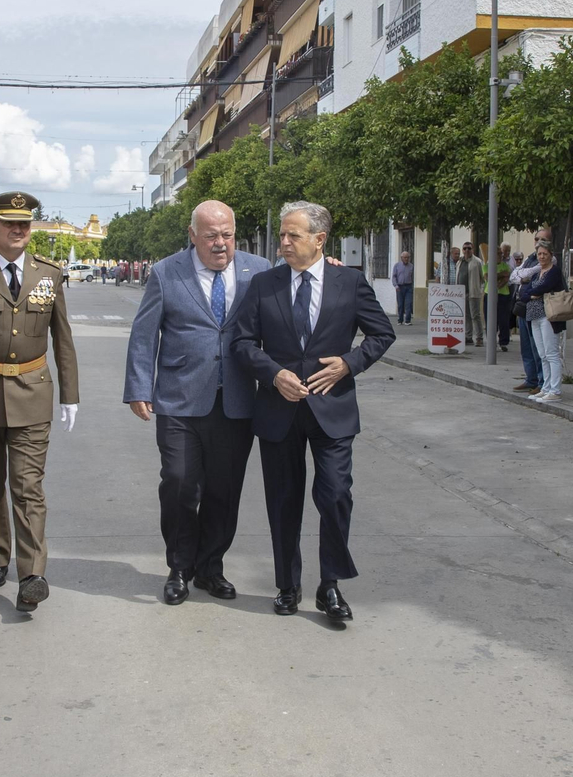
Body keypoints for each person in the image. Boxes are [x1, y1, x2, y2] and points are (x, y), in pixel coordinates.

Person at [230, 201, 396, 626]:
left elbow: (382, 333)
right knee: (283, 502)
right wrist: (273, 374)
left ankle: (331, 585)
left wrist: (349, 363)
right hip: (278, 410)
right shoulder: (264, 285)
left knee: (336, 494)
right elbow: (243, 343)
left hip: (333, 410)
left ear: (319, 240)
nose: (283, 242)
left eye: (293, 236)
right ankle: (288, 584)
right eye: (282, 235)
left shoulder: (350, 281)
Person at [124, 200, 269, 606]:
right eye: (211, 236)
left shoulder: (258, 271)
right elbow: (143, 333)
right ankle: (179, 566)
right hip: (178, 400)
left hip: (237, 401)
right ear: (193, 236)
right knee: (180, 483)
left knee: (225, 490)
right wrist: (139, 386)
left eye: (227, 235)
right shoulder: (167, 272)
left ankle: (210, 567)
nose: (220, 244)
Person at [0, 191, 80, 613]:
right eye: (9, 222)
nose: (19, 229)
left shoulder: (49, 274)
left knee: (27, 488)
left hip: (33, 392)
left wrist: (70, 395)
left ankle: (31, 575)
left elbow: (63, 339)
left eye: (25, 222)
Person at [520, 239, 568, 403]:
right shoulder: (536, 272)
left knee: (551, 353)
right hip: (534, 316)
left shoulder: (554, 272)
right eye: (539, 254)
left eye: (544, 254)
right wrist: (531, 294)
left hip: (548, 317)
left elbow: (543, 288)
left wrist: (533, 293)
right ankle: (546, 387)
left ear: (550, 255)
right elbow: (524, 293)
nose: (541, 257)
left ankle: (555, 390)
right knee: (542, 354)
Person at [509, 231, 549, 392]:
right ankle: (530, 378)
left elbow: (529, 275)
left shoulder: (548, 258)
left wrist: (523, 275)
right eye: (537, 239)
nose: (539, 242)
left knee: (537, 346)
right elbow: (514, 276)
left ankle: (541, 381)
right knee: (525, 346)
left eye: (543, 239)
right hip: (522, 306)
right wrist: (523, 275)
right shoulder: (530, 257)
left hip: (537, 308)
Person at [458, 242, 485, 347]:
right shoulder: (460, 261)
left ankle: (479, 337)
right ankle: (468, 337)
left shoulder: (477, 262)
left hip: (473, 293)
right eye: (465, 248)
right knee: (466, 316)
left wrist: (480, 289)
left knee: (475, 316)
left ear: (472, 249)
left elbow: (483, 278)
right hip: (461, 293)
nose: (467, 250)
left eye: (469, 248)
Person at [493, 245, 512, 350]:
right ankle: (492, 341)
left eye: (501, 253)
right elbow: (488, 277)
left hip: (504, 295)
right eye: (499, 253)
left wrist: (497, 284)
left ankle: (503, 342)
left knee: (504, 320)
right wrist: (500, 275)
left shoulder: (505, 265)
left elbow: (506, 277)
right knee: (492, 319)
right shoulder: (487, 265)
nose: (501, 255)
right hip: (490, 294)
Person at [390, 250, 414, 324]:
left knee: (408, 303)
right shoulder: (397, 266)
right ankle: (400, 319)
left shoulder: (411, 266)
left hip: (408, 286)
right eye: (405, 257)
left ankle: (408, 320)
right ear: (401, 258)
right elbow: (394, 276)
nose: (406, 259)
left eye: (407, 257)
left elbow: (413, 277)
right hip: (399, 287)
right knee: (400, 304)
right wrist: (396, 285)